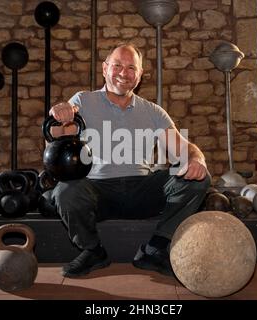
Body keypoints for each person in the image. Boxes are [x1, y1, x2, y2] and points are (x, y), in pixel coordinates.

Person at [48, 43, 211, 278]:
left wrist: (197, 160)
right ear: (105, 69)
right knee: (65, 191)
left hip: (142, 190)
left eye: (131, 68)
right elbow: (55, 135)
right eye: (117, 66)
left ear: (140, 75)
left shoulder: (154, 111)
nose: (124, 73)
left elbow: (184, 149)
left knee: (198, 178)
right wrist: (59, 114)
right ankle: (93, 251)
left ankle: (154, 249)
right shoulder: (82, 101)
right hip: (97, 190)